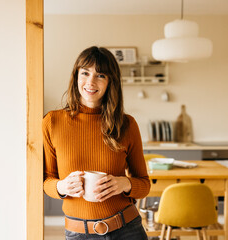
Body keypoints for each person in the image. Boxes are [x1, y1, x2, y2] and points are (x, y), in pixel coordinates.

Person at [43, 46, 150, 240]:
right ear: (76, 76)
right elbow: (46, 181)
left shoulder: (127, 124)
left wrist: (123, 183)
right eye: (85, 73)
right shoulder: (52, 122)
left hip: (127, 230)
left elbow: (144, 183)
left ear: (110, 82)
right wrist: (62, 187)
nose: (90, 82)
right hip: (79, 233)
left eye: (100, 75)